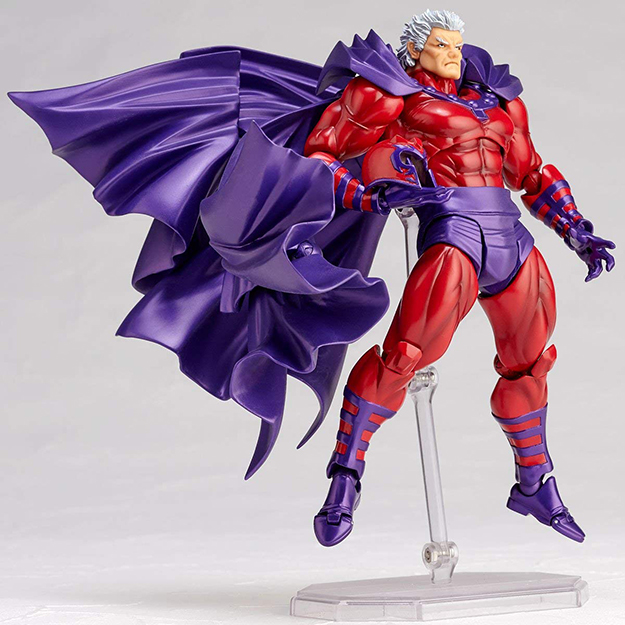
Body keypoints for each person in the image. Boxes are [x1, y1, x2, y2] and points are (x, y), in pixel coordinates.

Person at [306, 9, 615, 547]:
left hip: (510, 236)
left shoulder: (497, 101)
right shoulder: (389, 95)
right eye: (441, 44)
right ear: (414, 49)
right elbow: (320, 154)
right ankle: (345, 478)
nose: (454, 53)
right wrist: (364, 194)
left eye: (457, 43)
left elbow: (531, 173)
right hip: (454, 232)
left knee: (531, 363)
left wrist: (576, 228)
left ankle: (535, 483)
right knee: (406, 355)